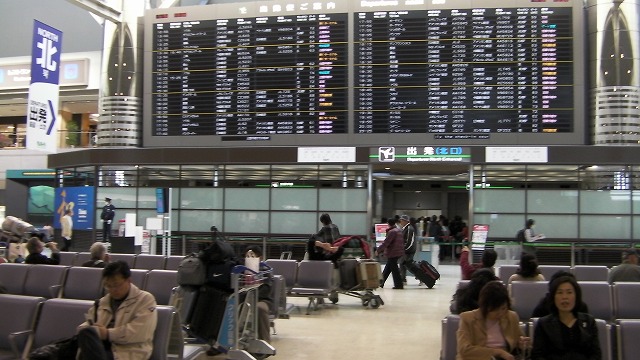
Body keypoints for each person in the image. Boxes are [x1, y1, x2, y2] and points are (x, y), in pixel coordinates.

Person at [76, 260, 158, 360]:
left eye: (116, 285)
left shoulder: (145, 300)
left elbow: (139, 332)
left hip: (128, 351)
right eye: (108, 286)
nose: (112, 290)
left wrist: (107, 333)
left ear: (128, 280)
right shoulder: (103, 302)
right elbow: (89, 322)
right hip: (100, 347)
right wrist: (85, 329)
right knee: (85, 334)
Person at [531, 275, 601, 360]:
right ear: (553, 297)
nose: (565, 297)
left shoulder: (589, 321)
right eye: (560, 293)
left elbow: (596, 354)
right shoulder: (543, 324)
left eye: (569, 292)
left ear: (576, 296)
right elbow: (537, 356)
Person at [457, 281, 530, 360]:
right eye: (495, 310)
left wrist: (521, 343)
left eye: (503, 308)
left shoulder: (512, 316)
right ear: (485, 307)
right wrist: (498, 352)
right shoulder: (467, 318)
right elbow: (464, 350)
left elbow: (518, 340)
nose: (501, 313)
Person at [241, 245, 273, 342]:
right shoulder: (241, 271)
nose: (249, 258)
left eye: (252, 256)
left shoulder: (266, 271)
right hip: (244, 299)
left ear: (260, 258)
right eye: (247, 256)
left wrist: (251, 296)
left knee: (260, 308)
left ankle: (265, 341)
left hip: (263, 300)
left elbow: (266, 290)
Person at [375, 217, 405, 289]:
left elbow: (386, 243)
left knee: (394, 270)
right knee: (388, 268)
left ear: (388, 224)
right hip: (398, 252)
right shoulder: (398, 230)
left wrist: (378, 250)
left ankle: (399, 285)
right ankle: (381, 283)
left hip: (393, 252)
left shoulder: (392, 232)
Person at [399, 215, 416, 284]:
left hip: (408, 251)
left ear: (405, 221)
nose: (400, 222)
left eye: (402, 220)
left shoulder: (409, 228)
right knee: (403, 264)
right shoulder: (405, 228)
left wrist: (405, 249)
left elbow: (410, 241)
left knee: (409, 265)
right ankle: (403, 279)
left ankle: (421, 277)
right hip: (406, 250)